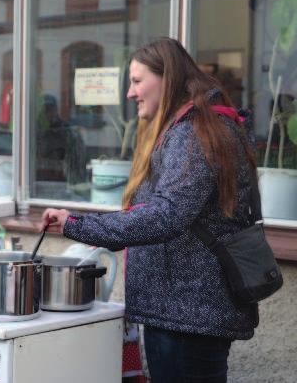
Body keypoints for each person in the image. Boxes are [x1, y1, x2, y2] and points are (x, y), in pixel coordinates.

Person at [41, 37, 259, 382]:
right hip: (182, 313)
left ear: (168, 78)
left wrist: (79, 225)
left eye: (138, 81)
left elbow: (167, 214)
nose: (130, 93)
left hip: (188, 317)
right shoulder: (192, 129)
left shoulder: (194, 133)